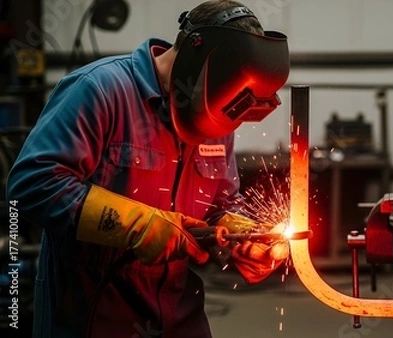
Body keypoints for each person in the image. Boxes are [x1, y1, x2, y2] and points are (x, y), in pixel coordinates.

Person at [6, 1, 290, 337]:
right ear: (199, 58)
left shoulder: (218, 110)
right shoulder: (99, 89)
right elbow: (33, 183)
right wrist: (136, 226)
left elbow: (221, 203)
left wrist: (241, 237)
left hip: (178, 313)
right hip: (95, 313)